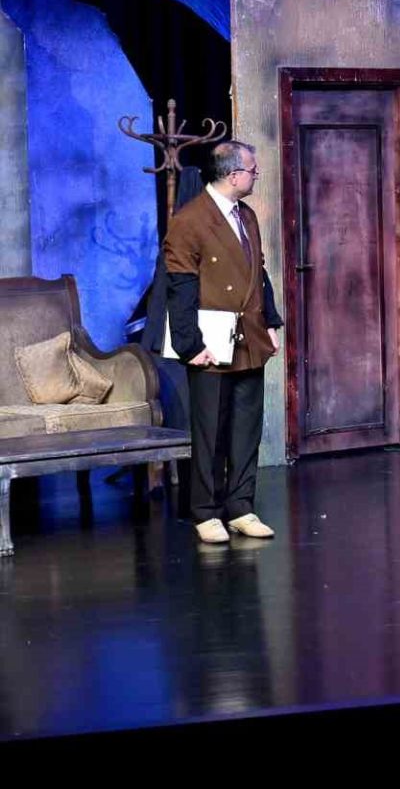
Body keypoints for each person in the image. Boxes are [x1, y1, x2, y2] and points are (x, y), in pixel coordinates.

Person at [163, 141, 284, 544]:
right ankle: (206, 511)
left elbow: (258, 273)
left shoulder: (246, 215)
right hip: (211, 342)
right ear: (234, 175)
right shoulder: (190, 220)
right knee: (211, 430)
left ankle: (241, 508)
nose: (256, 175)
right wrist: (190, 345)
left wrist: (270, 322)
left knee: (246, 429)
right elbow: (179, 286)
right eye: (252, 170)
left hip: (248, 336)